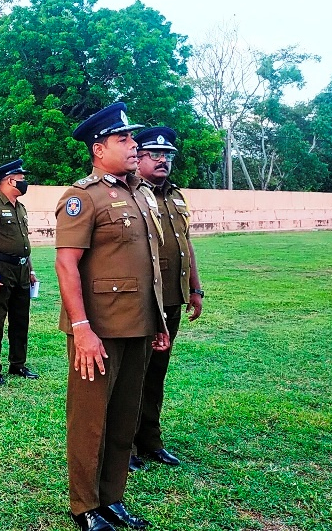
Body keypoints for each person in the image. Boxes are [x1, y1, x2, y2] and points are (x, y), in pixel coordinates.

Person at [54, 103, 169, 531]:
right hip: (97, 330)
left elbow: (149, 264)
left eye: (132, 137)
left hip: (137, 326)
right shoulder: (83, 196)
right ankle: (85, 506)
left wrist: (157, 322)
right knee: (90, 421)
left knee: (123, 418)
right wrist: (82, 329)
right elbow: (66, 264)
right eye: (123, 139)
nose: (134, 144)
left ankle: (113, 498)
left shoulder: (139, 192)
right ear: (98, 149)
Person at [129, 126, 204, 472]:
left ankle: (150, 439)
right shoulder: (132, 193)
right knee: (134, 374)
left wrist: (195, 289)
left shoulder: (175, 195)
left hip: (172, 298)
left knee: (156, 373)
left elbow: (186, 243)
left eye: (168, 155)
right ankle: (126, 445)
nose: (163, 161)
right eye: (155, 154)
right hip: (144, 300)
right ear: (139, 157)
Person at [0, 160, 39, 385]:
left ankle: (17, 364)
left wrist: (30, 269)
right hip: (1, 269)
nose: (25, 183)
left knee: (20, 319)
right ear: (10, 181)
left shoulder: (20, 208)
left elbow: (23, 242)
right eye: (22, 179)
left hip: (22, 270)